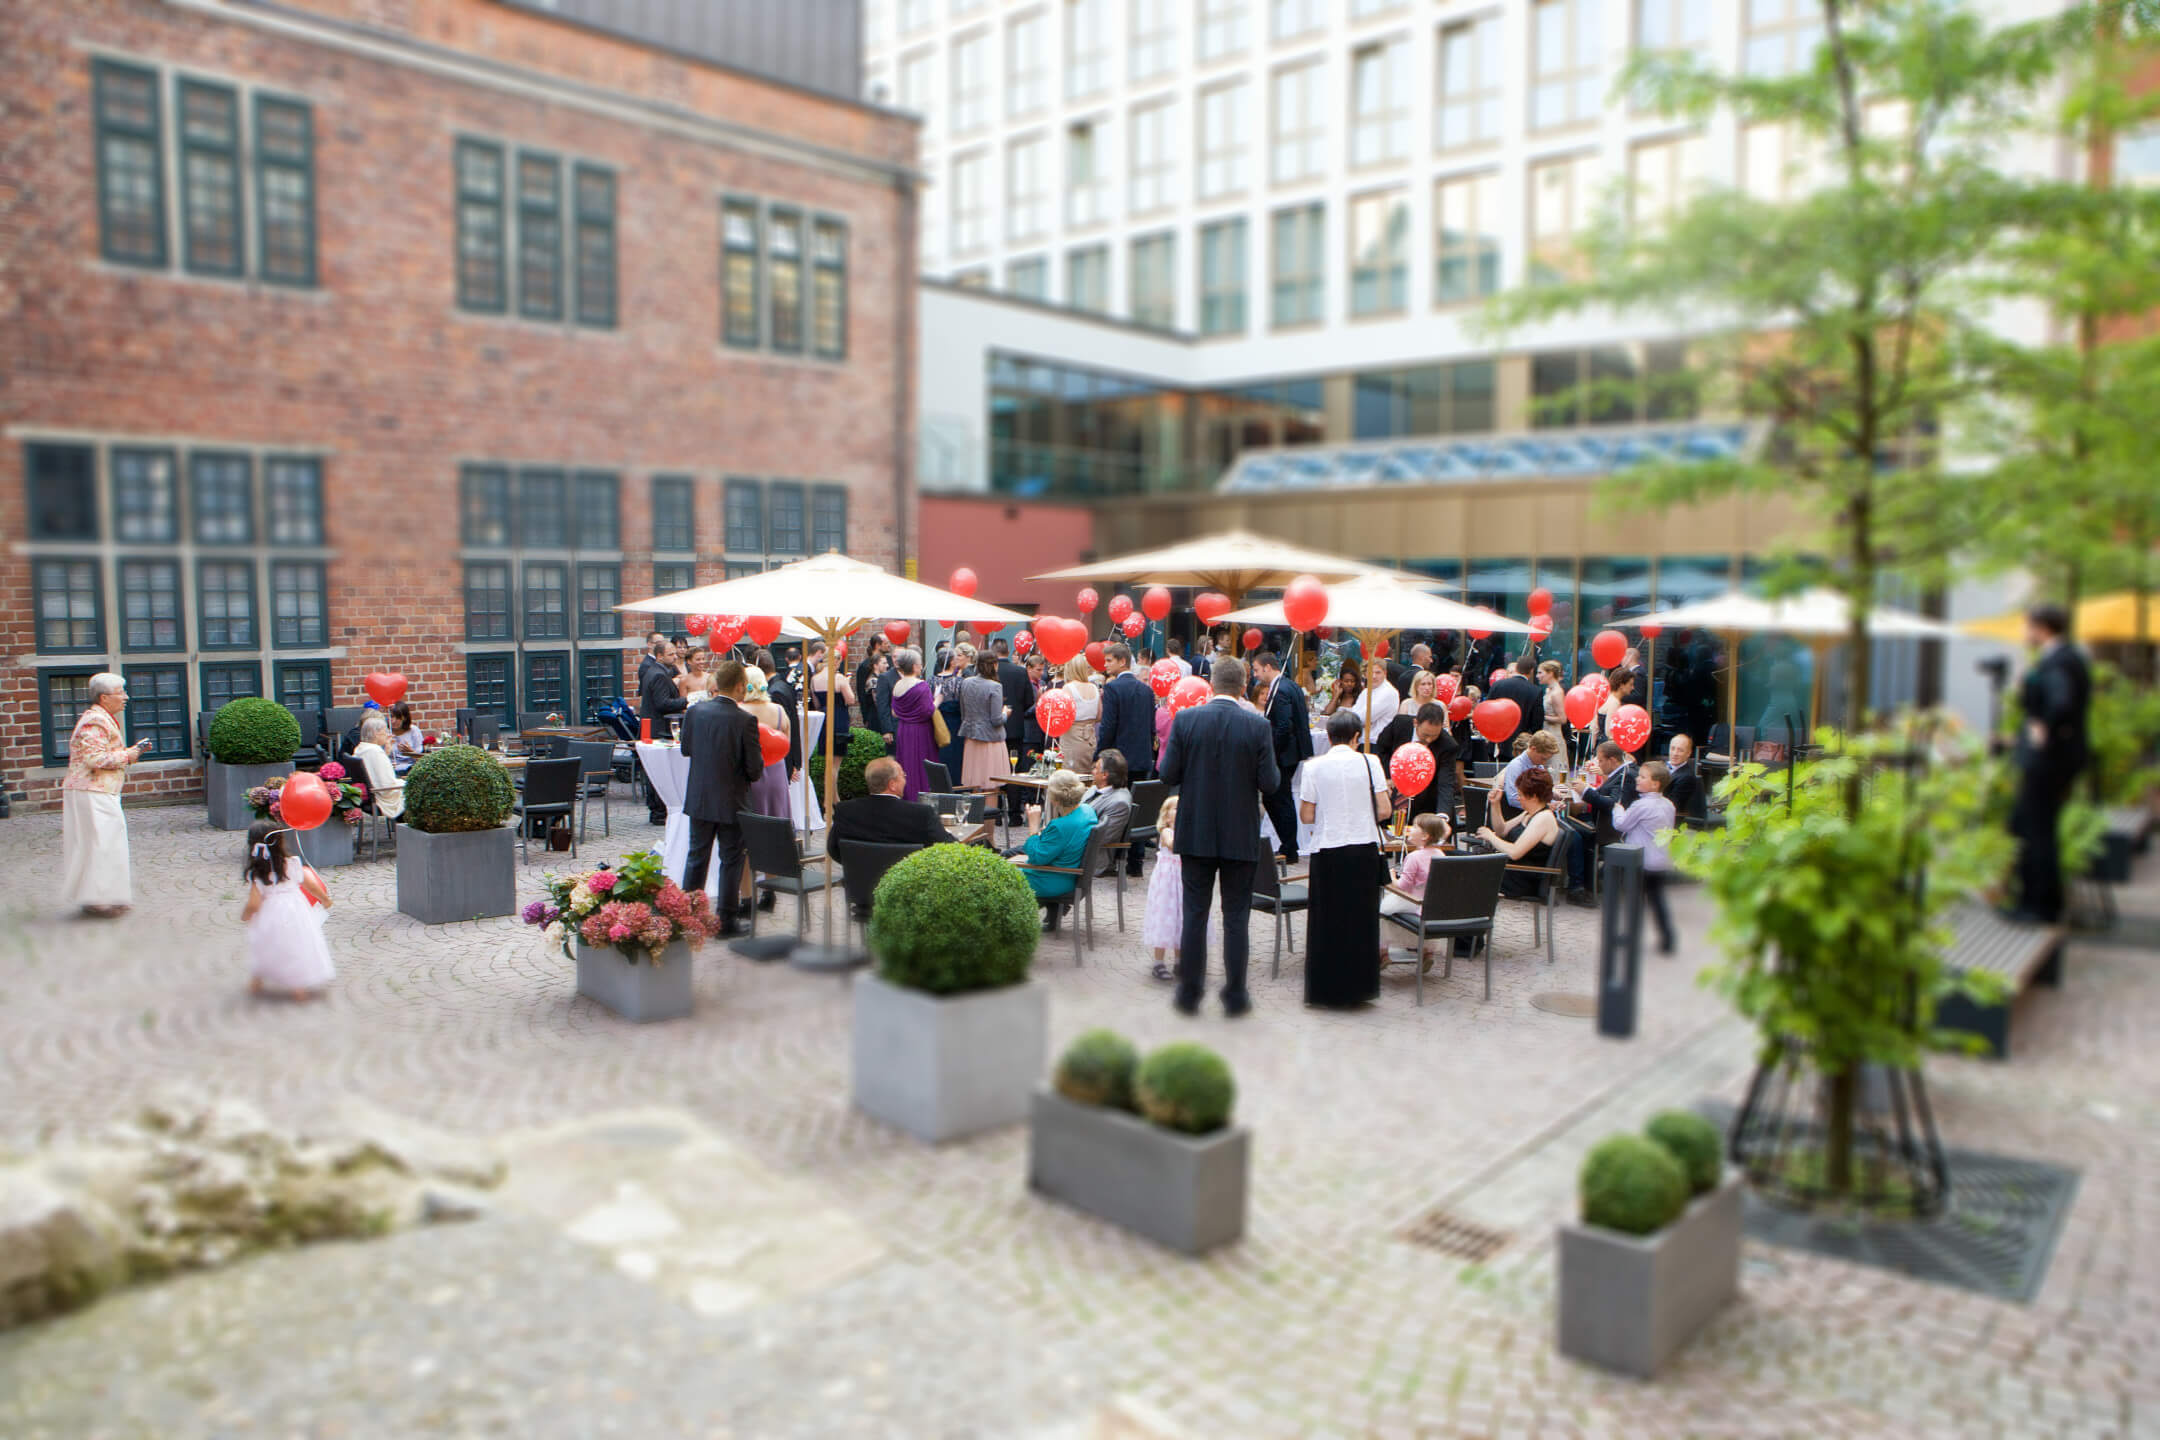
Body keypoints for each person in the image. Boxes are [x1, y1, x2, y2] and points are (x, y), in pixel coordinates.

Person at [1157, 657, 1278, 1018]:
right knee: (1236, 917)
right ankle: (1235, 994)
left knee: (1194, 913)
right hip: (1240, 833)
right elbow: (1270, 782)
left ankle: (1190, 993)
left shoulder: (1188, 719)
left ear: (1210, 685)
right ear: (1243, 688)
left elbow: (1167, 773)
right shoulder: (1258, 726)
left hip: (1196, 831)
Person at [1297, 709, 1391, 1007]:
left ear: (1328, 736)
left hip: (1328, 847)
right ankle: (1360, 988)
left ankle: (1325, 989)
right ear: (1356, 737)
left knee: (1327, 920)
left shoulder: (1314, 767)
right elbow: (1385, 809)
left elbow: (1307, 814)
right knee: (1361, 920)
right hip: (1363, 846)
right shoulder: (1370, 762)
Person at [2007, 603, 2092, 924]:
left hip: (2049, 761)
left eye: (2028, 626)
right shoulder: (2066, 658)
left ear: (2042, 628)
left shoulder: (2060, 661)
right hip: (2057, 758)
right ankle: (2037, 901)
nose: (2024, 633)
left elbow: (2061, 702)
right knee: (2027, 824)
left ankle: (2038, 906)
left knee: (2034, 828)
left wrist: (2045, 729)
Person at [679, 659, 765, 932]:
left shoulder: (695, 712)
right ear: (740, 686)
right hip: (733, 800)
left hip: (701, 796)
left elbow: (686, 749)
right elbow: (754, 770)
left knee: (696, 857)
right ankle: (726, 920)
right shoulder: (745, 720)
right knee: (731, 859)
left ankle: (687, 917)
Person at [60, 673, 147, 918]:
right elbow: (94, 759)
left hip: (97, 791)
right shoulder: (95, 721)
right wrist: (128, 755)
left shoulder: (102, 718)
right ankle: (98, 901)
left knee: (105, 844)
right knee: (100, 845)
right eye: (121, 692)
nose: (126, 697)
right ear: (104, 697)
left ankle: (106, 897)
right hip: (91, 791)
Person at [828, 756, 949, 899]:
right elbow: (948, 846)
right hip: (908, 896)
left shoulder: (845, 811)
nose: (905, 780)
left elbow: (833, 848)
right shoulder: (921, 814)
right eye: (903, 776)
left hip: (862, 893)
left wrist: (859, 867)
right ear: (892, 784)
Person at [241, 818, 335, 1001]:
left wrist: (245, 915)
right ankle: (298, 987)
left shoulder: (258, 873)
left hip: (270, 913)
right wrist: (325, 900)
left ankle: (257, 980)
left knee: (266, 945)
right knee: (297, 945)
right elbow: (312, 886)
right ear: (281, 842)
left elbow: (254, 903)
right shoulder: (292, 863)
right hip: (296, 910)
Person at [1143, 794, 1218, 980]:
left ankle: (1179, 960)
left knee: (1182, 919)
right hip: (1168, 881)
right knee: (1165, 917)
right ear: (1167, 816)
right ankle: (1158, 962)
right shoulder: (1167, 832)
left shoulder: (1190, 831)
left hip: (1184, 880)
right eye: (1176, 808)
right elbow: (1172, 845)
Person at [1011, 769, 1098, 926]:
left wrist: (1033, 827)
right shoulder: (1087, 811)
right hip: (1072, 876)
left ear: (1055, 799)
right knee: (1009, 860)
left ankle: (1012, 926)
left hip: (1055, 880)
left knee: (1001, 875)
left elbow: (1036, 858)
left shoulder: (1060, 826)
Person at [1252, 650, 1314, 865]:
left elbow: (1283, 726)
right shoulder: (1289, 685)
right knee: (1277, 797)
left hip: (1284, 754)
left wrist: (1272, 753)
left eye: (1258, 670)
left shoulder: (1281, 689)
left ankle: (1289, 847)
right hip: (1291, 752)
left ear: (1268, 667)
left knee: (1279, 798)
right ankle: (1288, 845)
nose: (1256, 675)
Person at [1612, 760, 1679, 954]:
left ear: (1656, 783)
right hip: (1660, 859)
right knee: (1657, 899)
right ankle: (1667, 937)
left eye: (1642, 777)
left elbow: (1621, 825)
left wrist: (1618, 809)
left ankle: (1629, 936)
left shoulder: (1641, 805)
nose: (1637, 779)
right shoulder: (1668, 805)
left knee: (1634, 900)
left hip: (1642, 860)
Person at [1379, 812, 1455, 968]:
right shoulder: (1440, 854)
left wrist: (1392, 877)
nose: (1410, 830)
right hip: (1432, 903)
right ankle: (1428, 952)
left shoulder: (1414, 857)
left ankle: (1383, 953)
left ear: (1425, 836)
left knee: (1382, 911)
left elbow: (1403, 887)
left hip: (1414, 900)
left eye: (1414, 827)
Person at [1479, 767, 1562, 899]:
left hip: (1521, 879)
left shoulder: (1543, 818)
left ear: (1533, 797)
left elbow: (1515, 852)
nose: (1518, 798)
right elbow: (1502, 830)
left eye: (1521, 795)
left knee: (1463, 869)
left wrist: (1490, 836)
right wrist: (1495, 805)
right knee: (1457, 859)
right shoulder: (1529, 813)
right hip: (1511, 871)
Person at [1377, 701, 1462, 825]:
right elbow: (1382, 748)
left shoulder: (1448, 745)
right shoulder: (1399, 724)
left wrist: (1442, 816)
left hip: (1426, 802)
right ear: (1415, 723)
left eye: (1434, 736)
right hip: (1394, 796)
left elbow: (1445, 783)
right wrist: (1388, 777)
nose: (1428, 740)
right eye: (1425, 735)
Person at [1096, 644, 1156, 784]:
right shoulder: (1146, 690)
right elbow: (1151, 727)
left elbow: (1108, 726)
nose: (1105, 665)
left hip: (1118, 761)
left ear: (1122, 661)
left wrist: (1099, 755)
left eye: (1109, 661)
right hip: (1142, 758)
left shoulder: (1112, 688)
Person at [887, 647, 938, 801]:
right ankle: (923, 796)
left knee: (906, 764)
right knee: (922, 765)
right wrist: (938, 700)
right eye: (920, 664)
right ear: (915, 666)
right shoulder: (921, 686)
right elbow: (928, 711)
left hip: (903, 729)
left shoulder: (897, 685)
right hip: (921, 730)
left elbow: (894, 712)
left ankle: (907, 795)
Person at [958, 651, 1011, 790]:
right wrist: (1005, 713)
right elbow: (996, 720)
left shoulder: (965, 683)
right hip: (991, 740)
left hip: (971, 738)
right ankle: (991, 812)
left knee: (975, 784)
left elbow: (964, 714)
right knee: (992, 786)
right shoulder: (995, 686)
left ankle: (976, 812)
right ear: (994, 664)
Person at [1496, 730, 1564, 819]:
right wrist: (1544, 807)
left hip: (1540, 815)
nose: (1544, 762)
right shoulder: (1516, 766)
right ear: (1533, 748)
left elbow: (1542, 794)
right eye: (1543, 758)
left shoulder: (1538, 764)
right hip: (1522, 817)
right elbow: (1513, 798)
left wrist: (1554, 800)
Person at [351, 714, 405, 820]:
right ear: (376, 734)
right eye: (385, 731)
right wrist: (405, 783)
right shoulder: (375, 751)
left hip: (370, 796)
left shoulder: (361, 748)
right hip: (380, 798)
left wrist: (386, 752)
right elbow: (387, 784)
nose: (387, 734)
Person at [934, 642, 974, 778]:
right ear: (951, 662)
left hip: (936, 724)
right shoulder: (959, 682)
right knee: (956, 761)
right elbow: (966, 706)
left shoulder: (930, 680)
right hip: (955, 726)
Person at [1488, 655, 1546, 746]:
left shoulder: (1497, 685)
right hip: (1521, 743)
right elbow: (1537, 721)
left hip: (1497, 741)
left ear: (1517, 668)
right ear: (1531, 671)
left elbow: (1489, 710)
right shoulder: (1535, 691)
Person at [1057, 656, 1101, 773]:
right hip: (1091, 739)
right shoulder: (1094, 687)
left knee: (1070, 777)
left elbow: (1062, 716)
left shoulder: (1068, 688)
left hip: (1072, 739)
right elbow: (1099, 716)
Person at [995, 639, 1033, 776]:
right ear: (1008, 651)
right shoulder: (1020, 672)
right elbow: (1029, 700)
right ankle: (1014, 796)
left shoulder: (991, 671)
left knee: (996, 769)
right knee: (1014, 769)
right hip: (1015, 727)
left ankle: (998, 797)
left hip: (994, 728)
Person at [1664, 732, 1707, 821]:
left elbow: (1672, 805)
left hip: (1669, 819)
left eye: (1680, 750)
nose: (1675, 753)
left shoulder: (1686, 777)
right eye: (1672, 748)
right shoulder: (1661, 765)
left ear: (1688, 753)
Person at [1538, 661, 1569, 753]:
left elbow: (1563, 719)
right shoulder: (1548, 690)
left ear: (1550, 673)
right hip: (1545, 734)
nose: (1537, 676)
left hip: (1553, 735)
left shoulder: (1557, 693)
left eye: (1540, 673)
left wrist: (1542, 717)